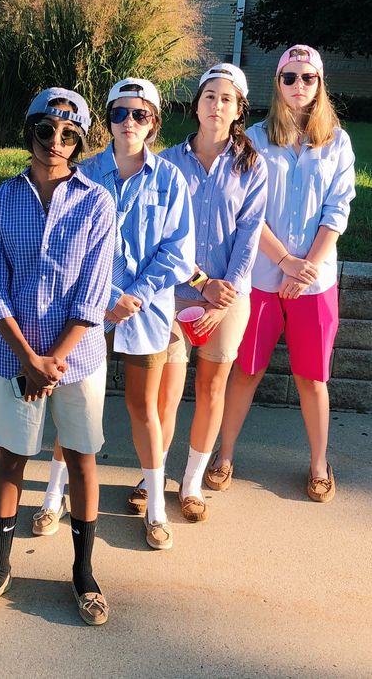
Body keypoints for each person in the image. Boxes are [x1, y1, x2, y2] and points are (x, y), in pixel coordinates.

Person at [0, 88, 115, 626]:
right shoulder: (0, 202)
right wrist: (29, 358)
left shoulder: (97, 202)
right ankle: (0, 567)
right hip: (14, 358)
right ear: (29, 132)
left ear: (79, 141)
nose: (55, 142)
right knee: (12, 457)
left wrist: (53, 360)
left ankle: (84, 572)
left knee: (80, 458)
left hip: (78, 357)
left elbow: (93, 296)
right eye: (45, 130)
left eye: (68, 135)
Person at [207, 46, 354, 503]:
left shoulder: (338, 141)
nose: (298, 86)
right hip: (264, 279)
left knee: (313, 378)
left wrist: (306, 267)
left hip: (316, 281)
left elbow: (337, 209)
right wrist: (286, 262)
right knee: (246, 371)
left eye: (307, 78)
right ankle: (224, 456)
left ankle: (318, 463)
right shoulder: (253, 138)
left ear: (319, 83)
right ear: (277, 82)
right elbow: (247, 212)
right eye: (289, 77)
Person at [80, 79, 194, 551]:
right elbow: (75, 247)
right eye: (120, 113)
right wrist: (108, 294)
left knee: (142, 407)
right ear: (107, 119)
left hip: (146, 315)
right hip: (89, 310)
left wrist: (136, 296)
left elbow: (178, 251)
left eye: (140, 114)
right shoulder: (83, 174)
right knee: (78, 406)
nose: (129, 122)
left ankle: (157, 505)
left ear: (153, 122)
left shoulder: (170, 179)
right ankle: (54, 493)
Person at [154, 63, 267, 522]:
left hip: (228, 299)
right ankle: (152, 475)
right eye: (208, 96)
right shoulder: (166, 162)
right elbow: (160, 233)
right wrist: (202, 285)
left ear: (238, 109)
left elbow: (250, 234)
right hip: (175, 292)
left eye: (226, 99)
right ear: (196, 103)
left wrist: (226, 296)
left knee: (211, 386)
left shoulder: (251, 165)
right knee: (167, 390)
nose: (216, 105)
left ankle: (193, 481)